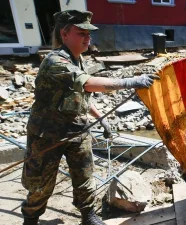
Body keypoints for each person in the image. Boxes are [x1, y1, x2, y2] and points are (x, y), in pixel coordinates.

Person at [21, 10, 159, 225]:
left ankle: (88, 215)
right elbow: (87, 83)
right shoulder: (54, 61)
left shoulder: (80, 60)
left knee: (85, 176)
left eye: (89, 34)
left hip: (77, 129)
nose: (87, 38)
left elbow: (83, 96)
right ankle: (31, 218)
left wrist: (101, 117)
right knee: (41, 183)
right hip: (48, 134)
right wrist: (131, 81)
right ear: (64, 34)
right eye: (81, 33)